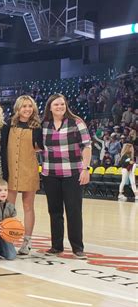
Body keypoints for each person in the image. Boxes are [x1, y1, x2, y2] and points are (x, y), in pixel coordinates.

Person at [41, 93, 91, 259]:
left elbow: (87, 146)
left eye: (62, 104)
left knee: (73, 210)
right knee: (54, 211)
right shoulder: (44, 124)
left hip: (73, 173)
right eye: (56, 105)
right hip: (50, 173)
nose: (60, 107)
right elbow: (37, 146)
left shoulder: (77, 122)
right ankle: (56, 246)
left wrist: (86, 169)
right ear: (50, 107)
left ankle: (77, 247)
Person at [1, 95, 43, 255]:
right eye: (24, 106)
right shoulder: (8, 124)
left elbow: (41, 147)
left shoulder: (37, 127)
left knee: (28, 207)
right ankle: (7, 241)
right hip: (11, 169)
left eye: (30, 106)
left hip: (29, 170)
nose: (27, 109)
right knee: (9, 208)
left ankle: (27, 241)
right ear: (18, 108)